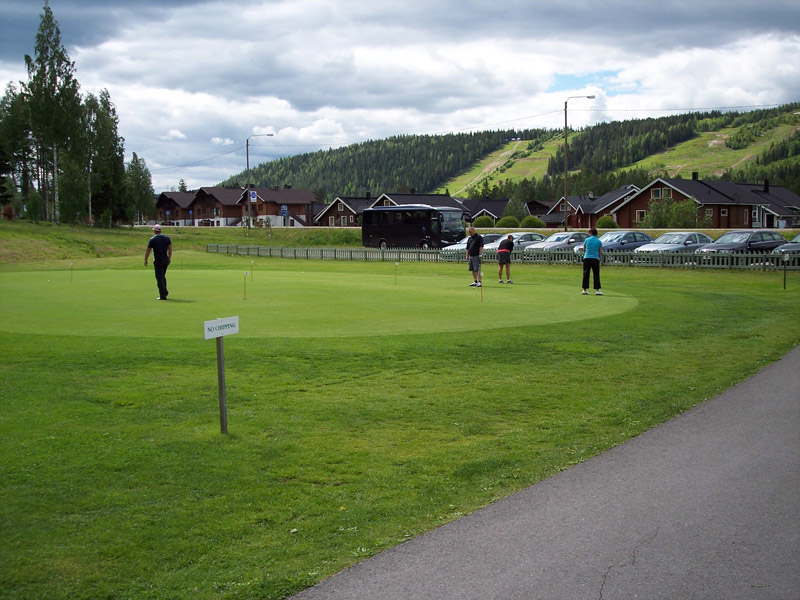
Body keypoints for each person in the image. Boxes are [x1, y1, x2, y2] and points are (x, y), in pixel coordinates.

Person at [144, 224, 172, 300]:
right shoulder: (167, 238)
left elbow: (148, 250)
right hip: (165, 260)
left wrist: (145, 260)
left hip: (158, 260)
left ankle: (163, 295)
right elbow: (170, 249)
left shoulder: (153, 239)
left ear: (155, 231)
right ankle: (165, 291)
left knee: (159, 277)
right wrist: (169, 258)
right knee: (162, 276)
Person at [582, 227, 603, 295]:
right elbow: (600, 252)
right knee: (596, 274)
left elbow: (584, 249)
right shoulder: (599, 241)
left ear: (591, 233)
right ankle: (597, 290)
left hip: (587, 258)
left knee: (586, 273)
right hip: (595, 258)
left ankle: (584, 290)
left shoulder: (587, 240)